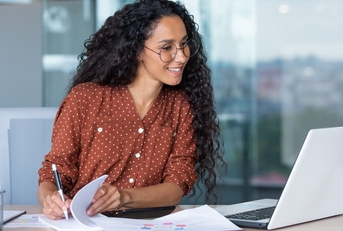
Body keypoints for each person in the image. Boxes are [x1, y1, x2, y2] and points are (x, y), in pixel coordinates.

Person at [38, 0, 226, 220]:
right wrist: (51, 199)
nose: (182, 56)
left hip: (148, 224)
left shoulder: (181, 106)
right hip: (82, 223)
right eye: (166, 48)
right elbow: (55, 171)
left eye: (184, 44)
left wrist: (123, 196)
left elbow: (176, 185)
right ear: (137, 50)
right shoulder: (85, 98)